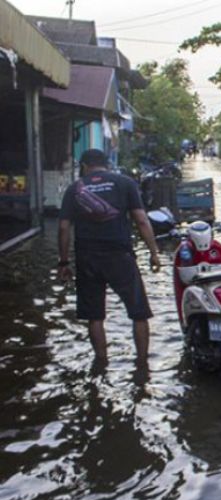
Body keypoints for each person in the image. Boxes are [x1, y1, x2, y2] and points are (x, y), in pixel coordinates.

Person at [57, 149, 162, 368]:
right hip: (120, 256)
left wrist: (64, 262)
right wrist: (153, 253)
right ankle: (142, 365)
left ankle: (101, 364)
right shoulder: (125, 183)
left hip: (87, 259)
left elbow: (64, 228)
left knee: (95, 316)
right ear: (106, 165)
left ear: (84, 166)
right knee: (139, 313)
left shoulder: (74, 189)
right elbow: (141, 220)